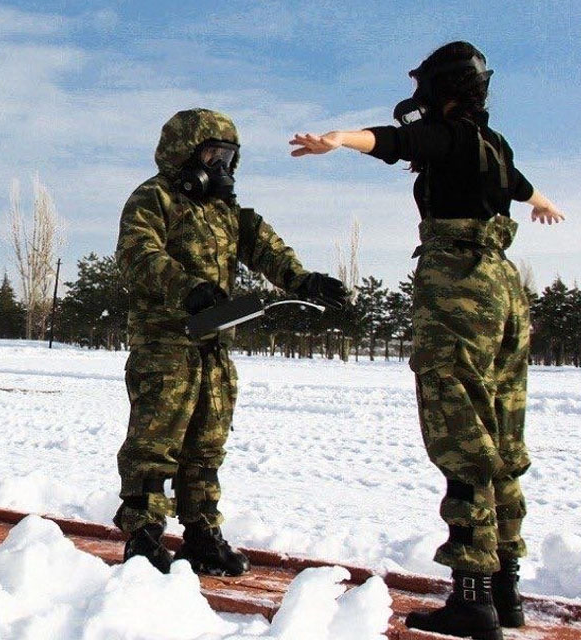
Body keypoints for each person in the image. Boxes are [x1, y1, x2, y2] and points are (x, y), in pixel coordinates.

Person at [290, 41, 565, 640]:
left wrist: (341, 137)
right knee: (501, 434)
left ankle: (472, 600)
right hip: (504, 289)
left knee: (461, 436)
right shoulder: (493, 144)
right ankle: (505, 588)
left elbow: (398, 143)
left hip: (458, 290)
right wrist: (541, 201)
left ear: (441, 90)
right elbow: (518, 185)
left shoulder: (452, 136)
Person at [115, 108, 349, 577]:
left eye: (228, 156)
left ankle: (201, 534)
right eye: (211, 154)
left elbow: (267, 248)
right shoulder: (153, 198)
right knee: (155, 443)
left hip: (213, 345)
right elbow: (137, 254)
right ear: (184, 153)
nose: (221, 165)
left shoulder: (227, 213)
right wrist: (189, 289)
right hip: (166, 344)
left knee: (207, 443)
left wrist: (304, 282)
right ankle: (143, 538)